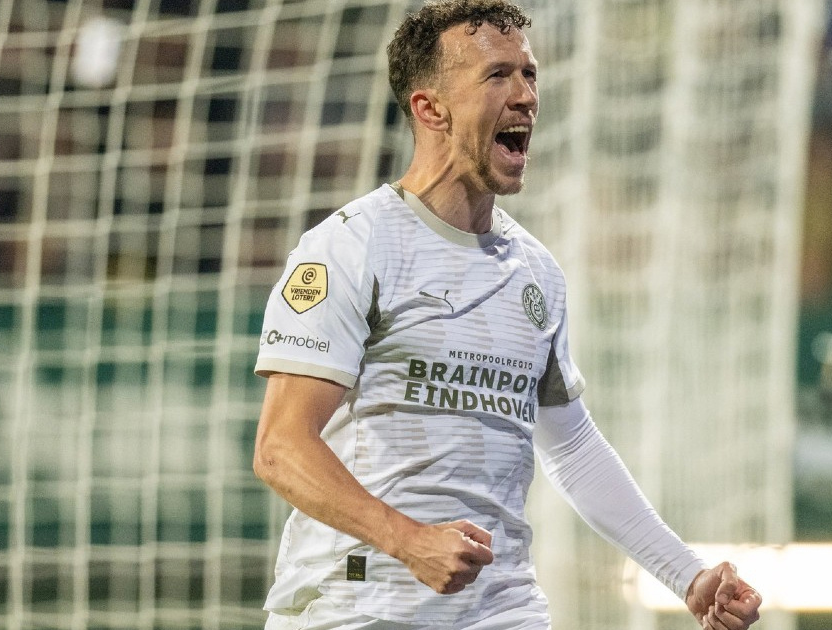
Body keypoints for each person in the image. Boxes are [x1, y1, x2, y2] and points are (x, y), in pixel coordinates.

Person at [252, 1, 763, 628]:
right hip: (359, 603)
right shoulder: (352, 246)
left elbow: (572, 446)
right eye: (498, 75)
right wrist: (408, 540)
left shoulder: (536, 272)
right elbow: (281, 448)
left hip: (502, 607)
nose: (526, 96)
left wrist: (686, 574)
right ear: (430, 109)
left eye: (529, 74)